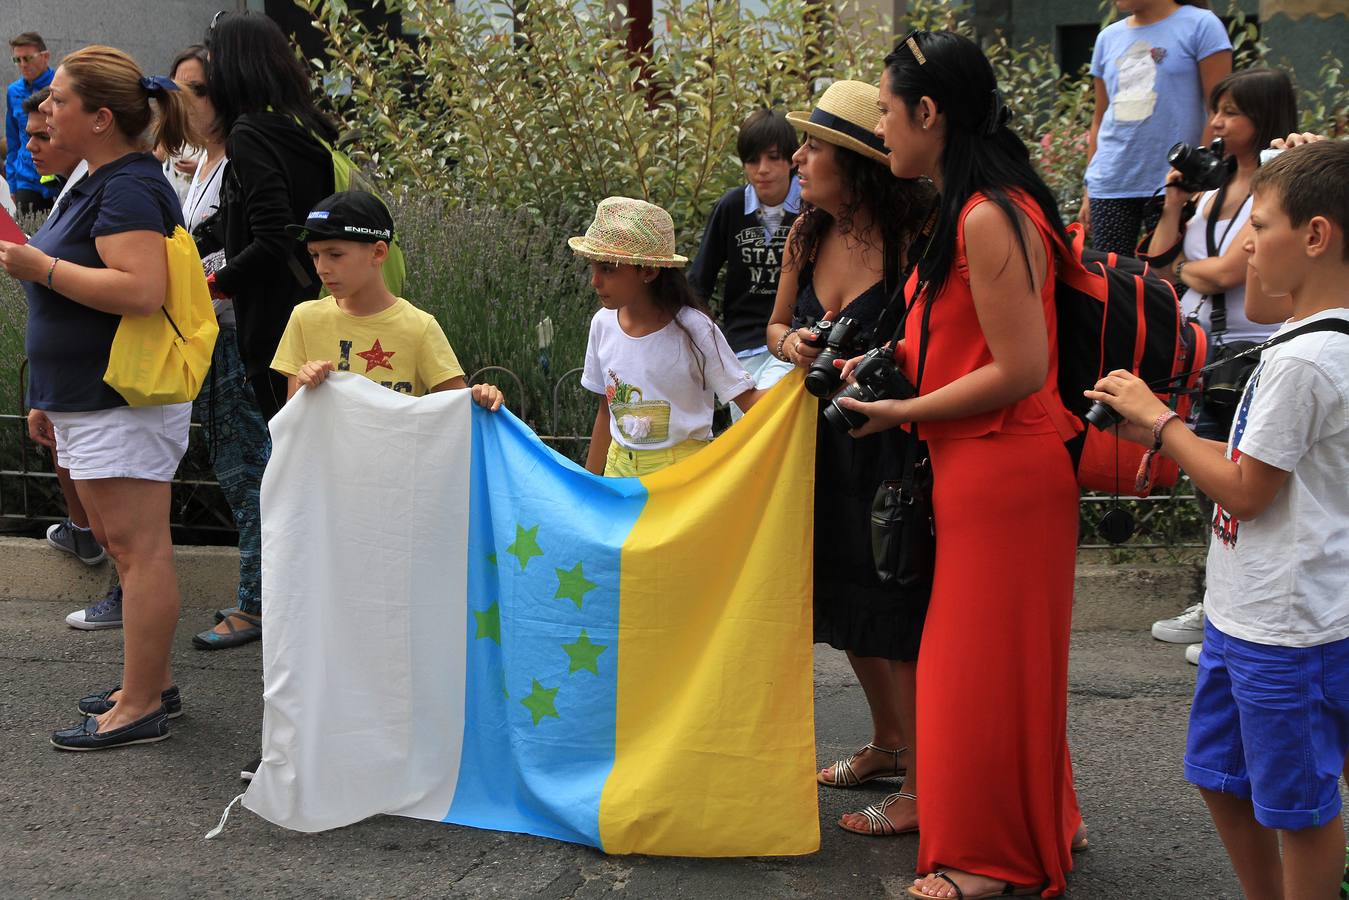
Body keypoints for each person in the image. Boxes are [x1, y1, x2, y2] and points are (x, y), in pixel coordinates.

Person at [839, 31, 1084, 896]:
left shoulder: (986, 213)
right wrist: (874, 371)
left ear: (929, 112)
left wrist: (899, 410)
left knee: (970, 676)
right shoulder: (976, 205)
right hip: (986, 472)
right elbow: (958, 345)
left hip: (1003, 475)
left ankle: (988, 858)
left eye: (884, 108)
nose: (880, 125)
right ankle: (1043, 824)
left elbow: (1019, 370)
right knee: (1005, 672)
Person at [1083, 139, 1349, 900]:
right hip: (1249, 613)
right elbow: (1263, 298)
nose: (1241, 247)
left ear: (1316, 236)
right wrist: (1159, 430)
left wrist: (1160, 423)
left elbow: (1244, 492)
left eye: (1257, 227)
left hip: (1288, 627)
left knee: (1295, 807)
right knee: (1221, 778)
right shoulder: (1297, 336)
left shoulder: (1303, 361)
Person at [0, 45, 199, 749]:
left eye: (58, 100)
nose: (45, 110)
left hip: (122, 397)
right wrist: (48, 395)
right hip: (93, 396)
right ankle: (148, 684)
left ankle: (141, 704)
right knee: (125, 544)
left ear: (100, 116)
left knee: (139, 549)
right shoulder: (98, 178)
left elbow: (141, 291)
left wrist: (39, 265)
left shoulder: (127, 187)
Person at [764, 79, 933, 838]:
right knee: (846, 608)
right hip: (818, 442)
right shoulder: (805, 232)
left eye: (813, 146)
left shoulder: (913, 238)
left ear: (858, 163)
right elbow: (772, 326)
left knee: (896, 612)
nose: (797, 157)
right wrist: (791, 341)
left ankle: (923, 791)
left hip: (891, 448)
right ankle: (888, 745)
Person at [1143, 68, 1298, 658]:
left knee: (1239, 478)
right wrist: (1175, 203)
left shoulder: (1277, 190)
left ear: (1264, 117)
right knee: (1207, 475)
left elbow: (1231, 272)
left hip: (1251, 348)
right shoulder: (1209, 193)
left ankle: (1231, 608)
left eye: (1231, 111)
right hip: (1201, 352)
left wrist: (1186, 267)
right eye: (1217, 110)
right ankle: (1217, 600)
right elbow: (1159, 262)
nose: (1217, 123)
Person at [163, 44, 272, 651]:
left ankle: (258, 603)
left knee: (248, 472)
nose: (186, 102)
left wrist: (198, 280)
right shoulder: (196, 165)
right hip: (203, 336)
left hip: (235, 337)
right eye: (179, 89)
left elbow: (259, 242)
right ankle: (259, 595)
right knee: (235, 474)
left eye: (198, 90)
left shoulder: (240, 161)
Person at [205, 11, 338, 421]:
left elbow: (274, 236)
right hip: (319, 305)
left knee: (294, 451)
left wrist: (215, 283)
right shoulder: (306, 127)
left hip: (276, 328)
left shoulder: (250, 135)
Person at [575, 196, 761, 477]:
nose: (595, 281)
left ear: (648, 271)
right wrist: (587, 484)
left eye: (608, 269)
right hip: (619, 476)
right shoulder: (602, 324)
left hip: (681, 481)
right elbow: (606, 411)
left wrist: (802, 387)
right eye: (593, 267)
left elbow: (749, 401)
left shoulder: (695, 330)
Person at [272, 190, 504, 415]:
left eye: (335, 255)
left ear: (379, 252)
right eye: (315, 255)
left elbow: (459, 409)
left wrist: (483, 397)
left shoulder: (419, 327)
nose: (321, 268)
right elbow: (292, 422)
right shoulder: (304, 319)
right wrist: (304, 385)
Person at [1081, 0, 1231, 256]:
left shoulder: (1202, 25)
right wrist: (1089, 188)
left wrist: (1198, 177)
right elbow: (1100, 118)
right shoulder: (1108, 37)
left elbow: (1218, 110)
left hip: (1176, 184)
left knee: (1177, 281)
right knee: (1113, 284)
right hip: (1110, 185)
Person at [688, 109, 801, 410]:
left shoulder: (811, 207)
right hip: (741, 347)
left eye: (774, 157)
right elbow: (699, 281)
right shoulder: (731, 207)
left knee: (771, 420)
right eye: (753, 159)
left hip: (796, 343)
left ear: (792, 159)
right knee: (749, 436)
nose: (763, 169)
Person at [5, 31, 55, 215]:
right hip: (26, 178)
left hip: (58, 175)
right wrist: (12, 183)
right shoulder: (13, 91)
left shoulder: (61, 85)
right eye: (17, 60)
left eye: (27, 58)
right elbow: (13, 141)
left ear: (45, 56)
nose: (23, 65)